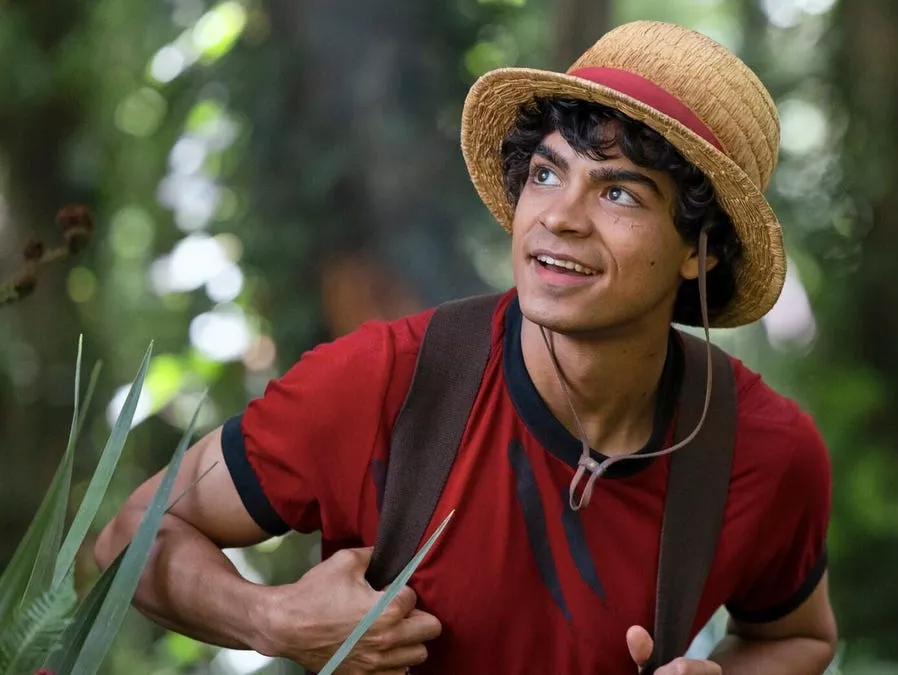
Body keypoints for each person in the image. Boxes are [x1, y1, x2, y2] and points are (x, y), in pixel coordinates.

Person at [94, 19, 837, 675]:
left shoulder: (764, 452)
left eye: (618, 193)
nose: (559, 217)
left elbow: (798, 637)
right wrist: (274, 619)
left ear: (701, 251)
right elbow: (130, 536)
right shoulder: (381, 382)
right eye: (547, 173)